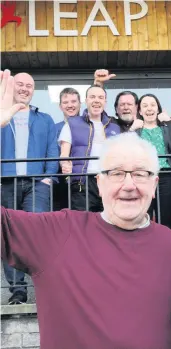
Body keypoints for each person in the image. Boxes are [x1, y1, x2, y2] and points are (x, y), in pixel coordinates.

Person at [1, 69, 171, 349]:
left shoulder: (167, 243)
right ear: (100, 180)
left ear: (155, 184)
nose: (129, 185)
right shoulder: (58, 231)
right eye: (117, 173)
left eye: (141, 174)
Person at [0, 71, 58, 305]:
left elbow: (52, 151)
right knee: (8, 237)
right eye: (20, 84)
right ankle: (18, 291)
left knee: (36, 234)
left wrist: (47, 178)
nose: (24, 89)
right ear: (11, 87)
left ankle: (46, 287)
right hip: (5, 182)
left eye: (29, 86)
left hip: (37, 184)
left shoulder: (44, 119)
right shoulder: (2, 116)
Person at [59, 85, 120, 212]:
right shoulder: (72, 124)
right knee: (82, 225)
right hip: (82, 182)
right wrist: (65, 164)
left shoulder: (115, 128)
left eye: (100, 97)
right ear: (86, 101)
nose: (96, 100)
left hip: (108, 183)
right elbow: (64, 155)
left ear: (105, 102)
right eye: (92, 97)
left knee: (108, 225)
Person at [136, 93, 171, 230]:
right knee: (143, 215)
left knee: (166, 217)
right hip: (143, 177)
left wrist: (169, 123)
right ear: (140, 111)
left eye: (152, 105)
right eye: (145, 106)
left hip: (165, 175)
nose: (149, 109)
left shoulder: (165, 127)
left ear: (158, 109)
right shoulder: (137, 129)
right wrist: (131, 129)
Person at [54, 87, 81, 210]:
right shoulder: (54, 129)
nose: (70, 105)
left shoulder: (88, 127)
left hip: (82, 181)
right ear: (60, 106)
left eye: (73, 101)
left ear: (80, 104)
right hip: (59, 182)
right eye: (65, 102)